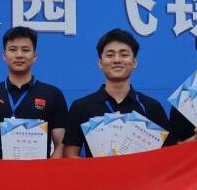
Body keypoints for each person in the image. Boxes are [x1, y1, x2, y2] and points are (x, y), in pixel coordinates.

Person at [63, 28, 175, 158]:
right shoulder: (81, 107)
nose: (117, 60)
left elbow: (169, 152)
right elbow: (70, 153)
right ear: (100, 63)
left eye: (124, 55)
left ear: (134, 62)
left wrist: (193, 140)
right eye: (110, 55)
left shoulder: (151, 107)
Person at [0, 27, 69, 159]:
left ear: (35, 56)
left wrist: (46, 169)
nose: (19, 55)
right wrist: (0, 168)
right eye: (13, 49)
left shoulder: (53, 94)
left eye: (25, 50)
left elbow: (62, 144)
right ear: (4, 55)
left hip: (40, 171)